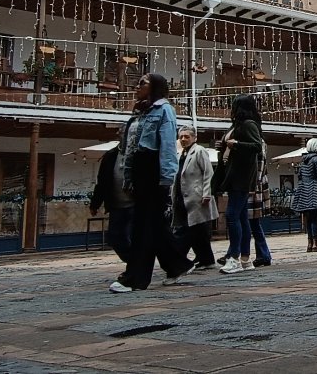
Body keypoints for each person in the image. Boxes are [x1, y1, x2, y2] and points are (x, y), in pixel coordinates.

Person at [111, 72, 195, 293]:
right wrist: (129, 176)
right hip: (140, 169)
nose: (137, 86)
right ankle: (177, 264)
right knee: (154, 226)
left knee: (142, 227)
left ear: (155, 87)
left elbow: (167, 145)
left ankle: (135, 278)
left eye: (143, 83)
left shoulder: (164, 110)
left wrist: (167, 177)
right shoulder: (140, 113)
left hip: (153, 169)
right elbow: (129, 149)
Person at [217, 94, 265, 274]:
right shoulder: (236, 125)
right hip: (234, 175)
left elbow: (256, 146)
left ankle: (234, 257)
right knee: (243, 217)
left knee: (232, 215)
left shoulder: (248, 124)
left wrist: (236, 144)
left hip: (241, 176)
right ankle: (245, 259)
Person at [172, 125, 218, 270]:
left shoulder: (199, 151)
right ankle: (205, 259)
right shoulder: (181, 154)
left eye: (187, 136)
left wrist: (206, 193)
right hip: (182, 197)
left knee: (189, 230)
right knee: (196, 231)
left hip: (196, 197)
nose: (184, 139)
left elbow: (208, 173)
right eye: (181, 137)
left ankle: (179, 259)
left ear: (194, 138)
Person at [90, 143, 133, 262]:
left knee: (132, 237)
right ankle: (132, 263)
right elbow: (102, 181)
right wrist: (95, 203)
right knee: (114, 238)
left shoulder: (138, 153)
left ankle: (134, 268)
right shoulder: (110, 155)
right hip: (116, 205)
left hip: (135, 205)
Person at [292, 138, 317, 252]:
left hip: (304, 191)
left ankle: (310, 243)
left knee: (309, 219)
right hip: (315, 191)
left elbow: (300, 176)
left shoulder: (303, 160)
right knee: (315, 218)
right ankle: (316, 243)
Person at [247, 140, 274, 266]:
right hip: (254, 186)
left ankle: (263, 254)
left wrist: (253, 186)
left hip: (253, 187)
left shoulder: (258, 142)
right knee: (253, 223)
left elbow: (259, 167)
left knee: (253, 222)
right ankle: (263, 255)